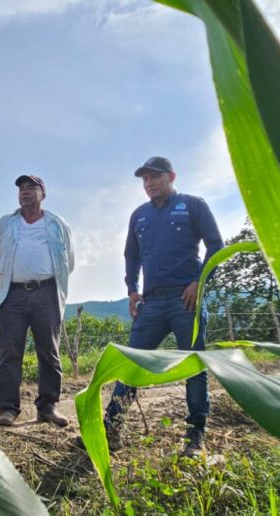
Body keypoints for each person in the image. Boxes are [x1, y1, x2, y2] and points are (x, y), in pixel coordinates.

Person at [107, 156, 223, 457]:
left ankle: (196, 437)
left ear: (171, 176)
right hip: (152, 302)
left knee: (195, 366)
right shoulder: (139, 215)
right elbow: (131, 256)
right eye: (145, 179)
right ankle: (111, 429)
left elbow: (216, 245)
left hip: (186, 300)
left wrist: (199, 282)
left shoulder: (193, 205)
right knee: (132, 364)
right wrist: (132, 290)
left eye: (155, 177)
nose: (149, 183)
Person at [0, 175, 75, 428]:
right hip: (13, 294)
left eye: (31, 188)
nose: (25, 192)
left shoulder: (57, 224)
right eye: (21, 189)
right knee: (9, 351)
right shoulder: (5, 224)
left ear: (43, 194)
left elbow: (69, 260)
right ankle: (7, 409)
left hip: (46, 292)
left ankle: (48, 407)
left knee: (49, 350)